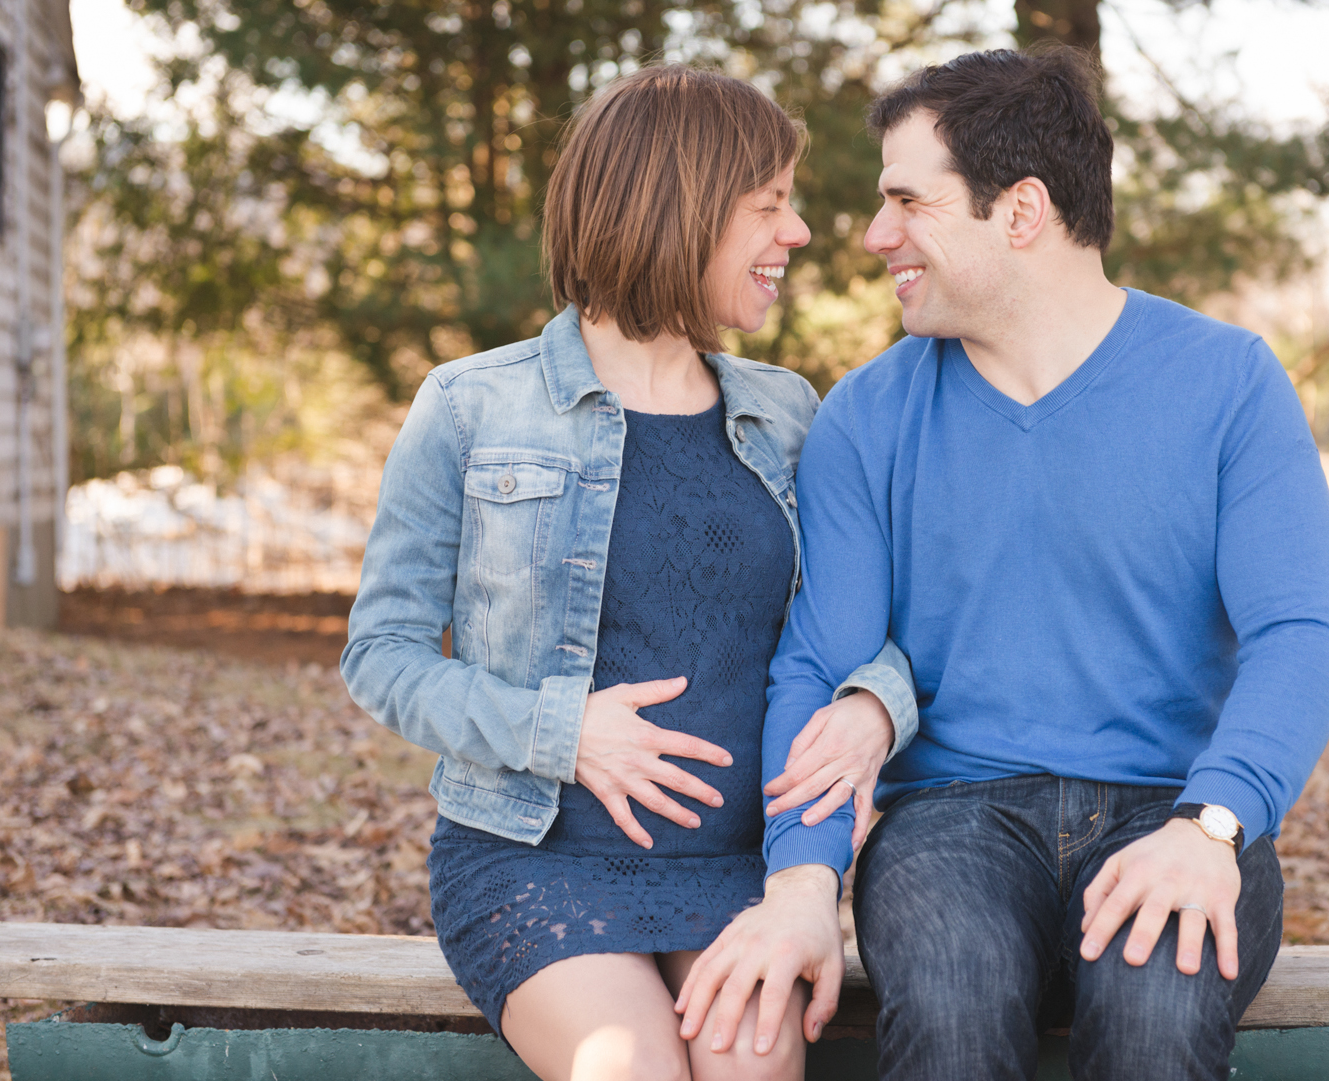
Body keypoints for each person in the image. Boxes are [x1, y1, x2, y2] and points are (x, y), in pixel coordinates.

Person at [675, 47, 1329, 1081]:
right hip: (954, 823)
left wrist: (1213, 825)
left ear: (1022, 211)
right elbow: (818, 666)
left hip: (1176, 807)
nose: (873, 235)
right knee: (952, 997)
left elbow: (1299, 635)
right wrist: (803, 883)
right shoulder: (868, 416)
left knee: (1157, 1014)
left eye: (908, 200)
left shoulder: (1227, 384)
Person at [341, 65, 920, 1081]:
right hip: (535, 857)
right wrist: (561, 730)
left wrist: (875, 706)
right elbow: (382, 656)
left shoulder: (790, 413)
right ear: (680, 208)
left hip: (743, 868)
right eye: (769, 207)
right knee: (631, 1066)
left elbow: (873, 628)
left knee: (748, 1062)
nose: (798, 235)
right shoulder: (473, 407)